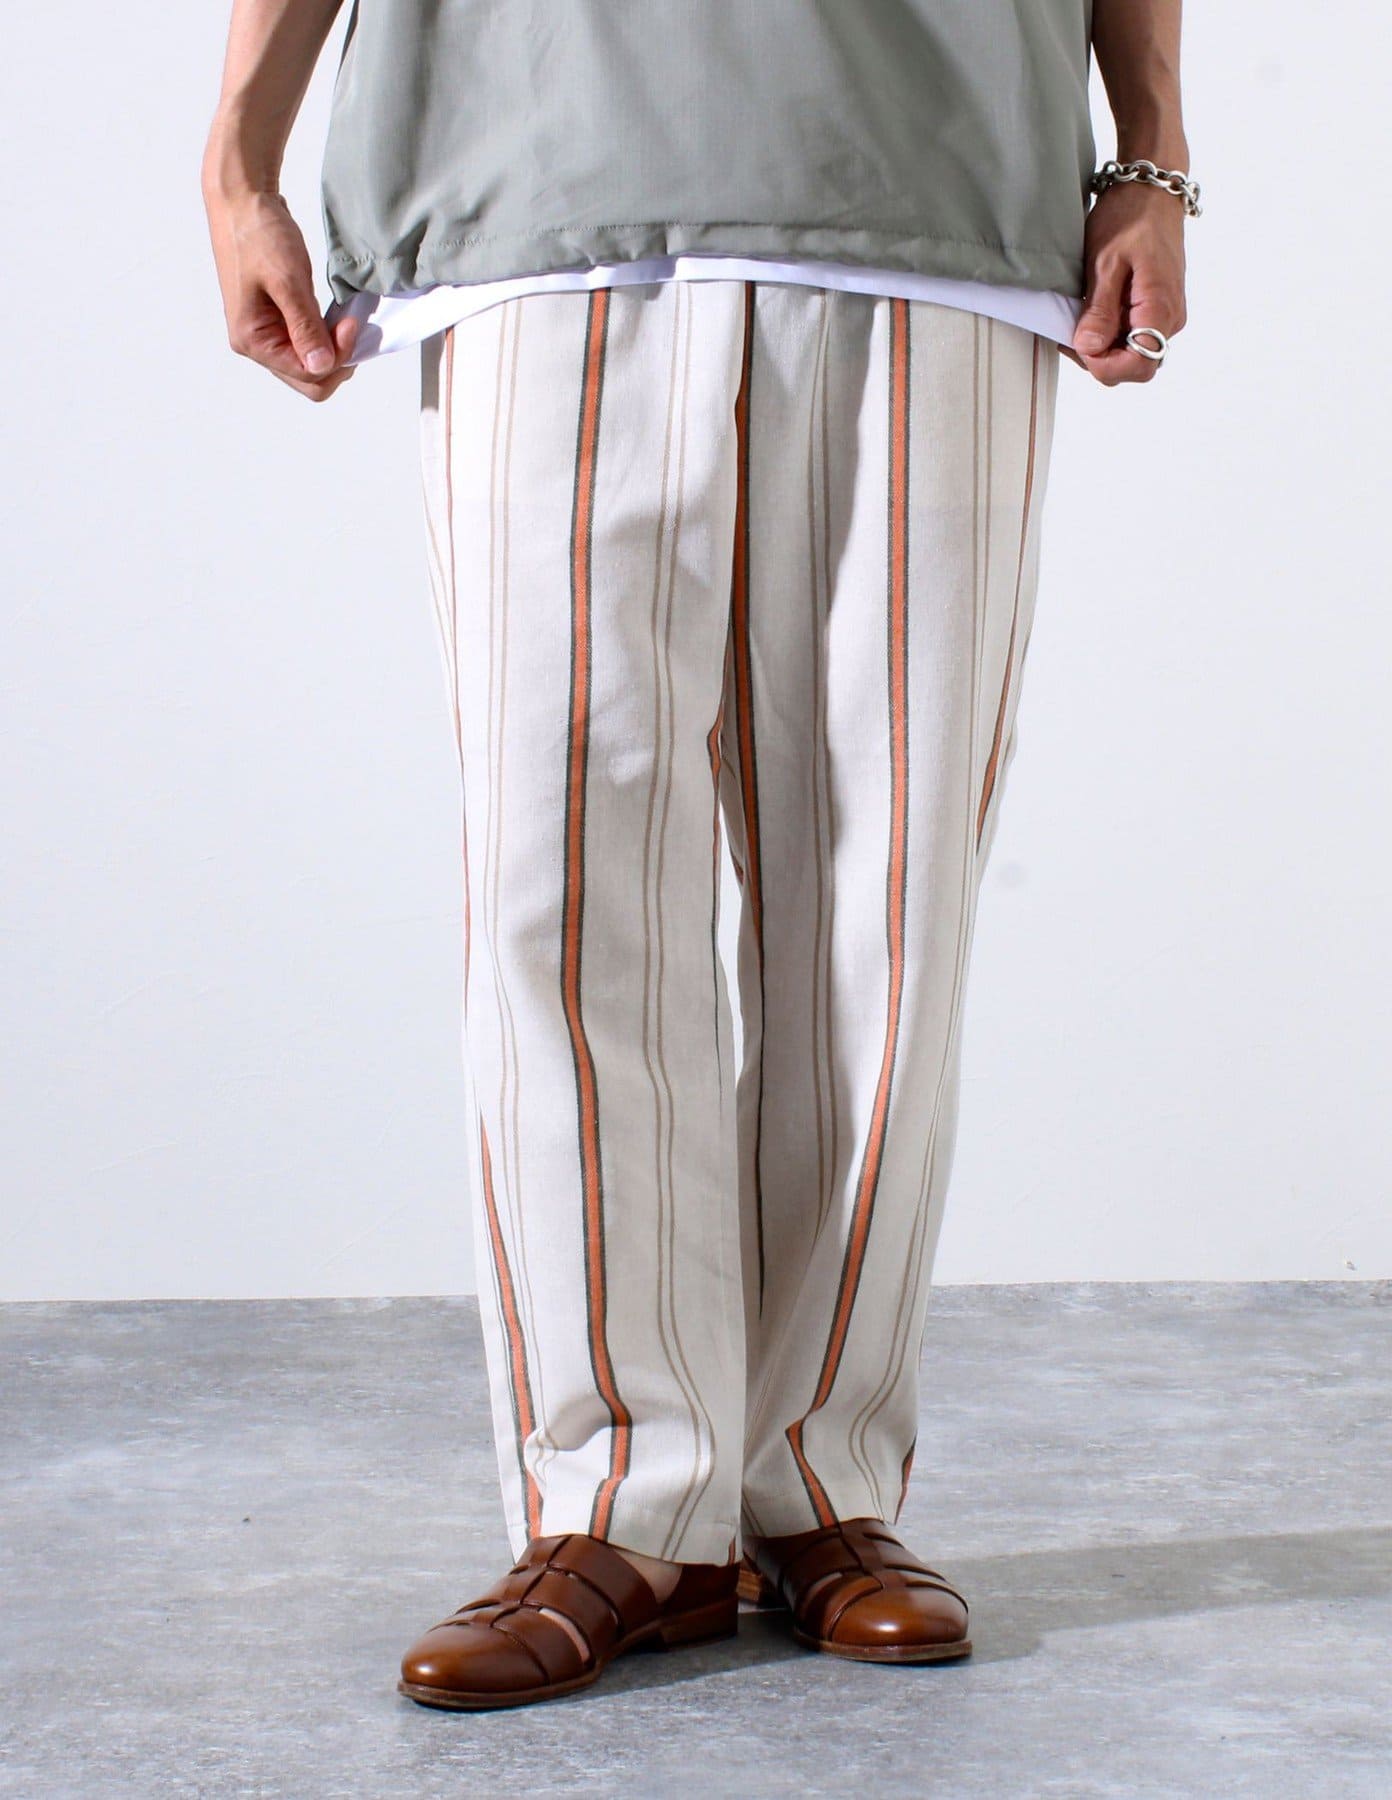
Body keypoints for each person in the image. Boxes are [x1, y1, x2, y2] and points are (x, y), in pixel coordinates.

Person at [203, 0, 1194, 1710]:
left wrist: (1150, 158)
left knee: (887, 902)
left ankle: (818, 1482)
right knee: (560, 887)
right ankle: (616, 1510)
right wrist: (239, 161)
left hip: (936, 184)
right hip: (532, 184)